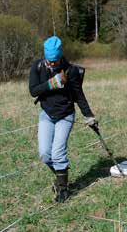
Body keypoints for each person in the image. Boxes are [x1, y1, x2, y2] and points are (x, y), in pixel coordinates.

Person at [29, 36, 98, 202]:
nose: (52, 64)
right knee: (45, 154)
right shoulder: (38, 67)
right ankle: (61, 175)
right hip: (46, 114)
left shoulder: (71, 71)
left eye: (55, 60)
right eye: (49, 60)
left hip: (65, 115)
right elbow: (33, 90)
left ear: (60, 56)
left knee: (58, 152)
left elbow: (78, 95)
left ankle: (62, 190)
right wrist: (52, 83)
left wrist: (89, 116)